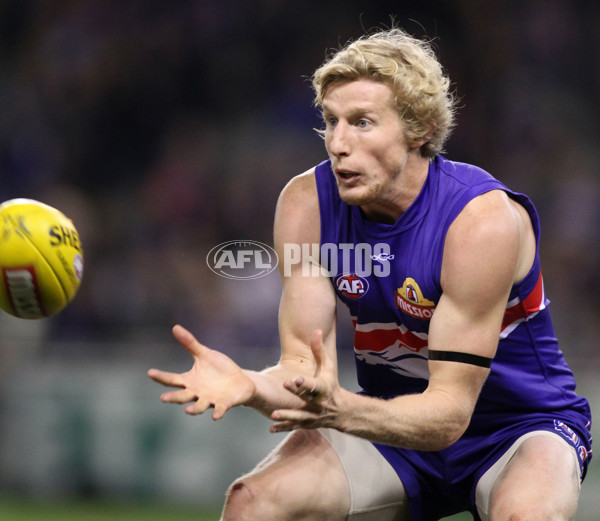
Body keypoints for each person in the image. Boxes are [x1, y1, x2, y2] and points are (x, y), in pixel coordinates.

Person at [148, 27, 592, 521]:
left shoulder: (480, 222)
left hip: (518, 427)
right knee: (253, 503)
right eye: (331, 121)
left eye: (362, 122)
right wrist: (252, 385)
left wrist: (343, 411)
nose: (338, 143)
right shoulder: (306, 206)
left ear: (418, 129)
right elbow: (302, 372)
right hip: (390, 422)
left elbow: (449, 414)